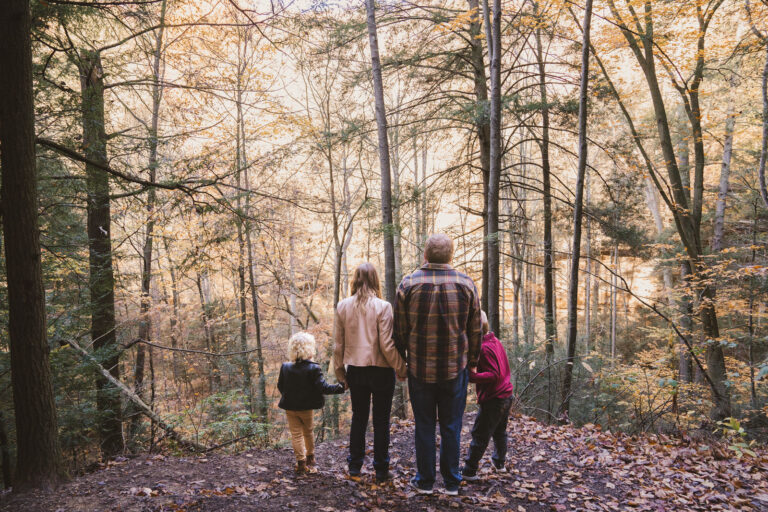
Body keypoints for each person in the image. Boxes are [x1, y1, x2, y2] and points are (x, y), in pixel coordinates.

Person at [393, 234, 482, 496]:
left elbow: (398, 330)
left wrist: (402, 361)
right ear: (450, 255)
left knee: (424, 425)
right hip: (456, 369)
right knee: (452, 425)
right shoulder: (466, 283)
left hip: (420, 370)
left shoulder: (408, 284)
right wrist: (474, 363)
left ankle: (425, 482)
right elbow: (475, 329)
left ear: (425, 254)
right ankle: (452, 482)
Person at [333, 262, 407, 483]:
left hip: (355, 370)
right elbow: (386, 345)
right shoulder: (383, 307)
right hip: (381, 371)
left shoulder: (342, 306)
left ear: (355, 280)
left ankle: (355, 467)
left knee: (359, 418)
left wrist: (340, 374)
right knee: (381, 421)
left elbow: (338, 345)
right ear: (376, 280)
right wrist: (402, 368)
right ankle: (381, 470)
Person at [278, 331, 346, 474]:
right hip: (306, 408)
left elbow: (280, 386)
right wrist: (340, 388)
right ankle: (310, 456)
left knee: (296, 434)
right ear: (309, 349)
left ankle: (301, 462)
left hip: (289, 407)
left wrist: (289, 396)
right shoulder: (313, 368)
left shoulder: (285, 367)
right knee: (308, 431)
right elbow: (324, 388)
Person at [462, 311, 514, 481]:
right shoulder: (494, 341)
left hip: (495, 398)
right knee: (499, 431)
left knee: (480, 434)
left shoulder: (483, 348)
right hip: (506, 395)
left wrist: (470, 377)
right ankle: (499, 462)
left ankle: (469, 470)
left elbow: (494, 374)